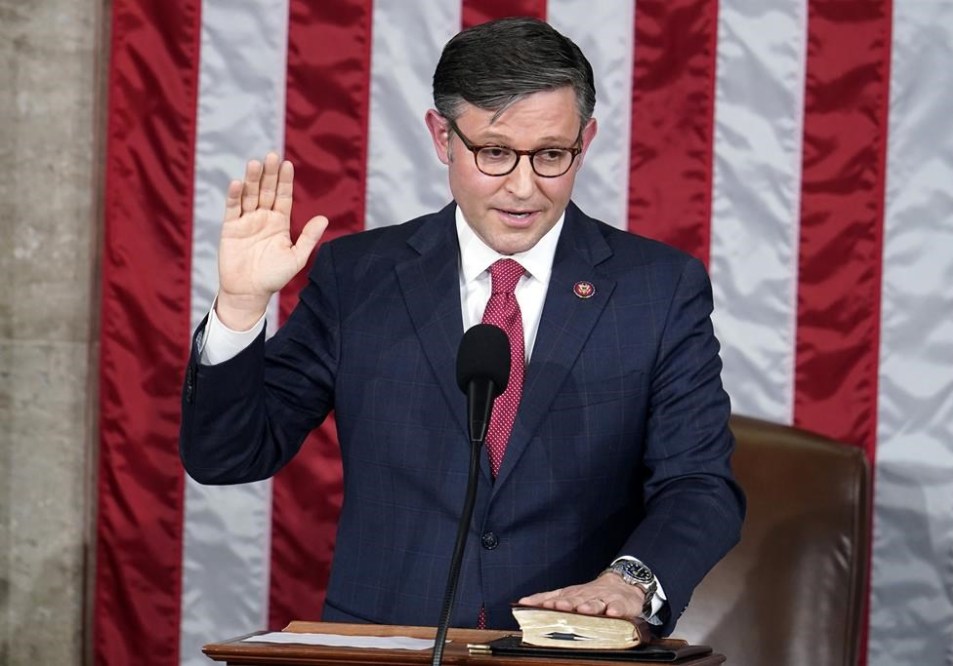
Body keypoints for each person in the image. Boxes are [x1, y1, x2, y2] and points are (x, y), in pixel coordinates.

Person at [180, 17, 745, 634]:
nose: (525, 188)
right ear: (441, 136)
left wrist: (626, 583)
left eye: (552, 155)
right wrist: (239, 308)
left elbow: (698, 483)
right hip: (395, 642)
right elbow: (228, 456)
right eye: (495, 153)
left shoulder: (657, 290)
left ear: (586, 139)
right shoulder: (358, 277)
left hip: (574, 647)